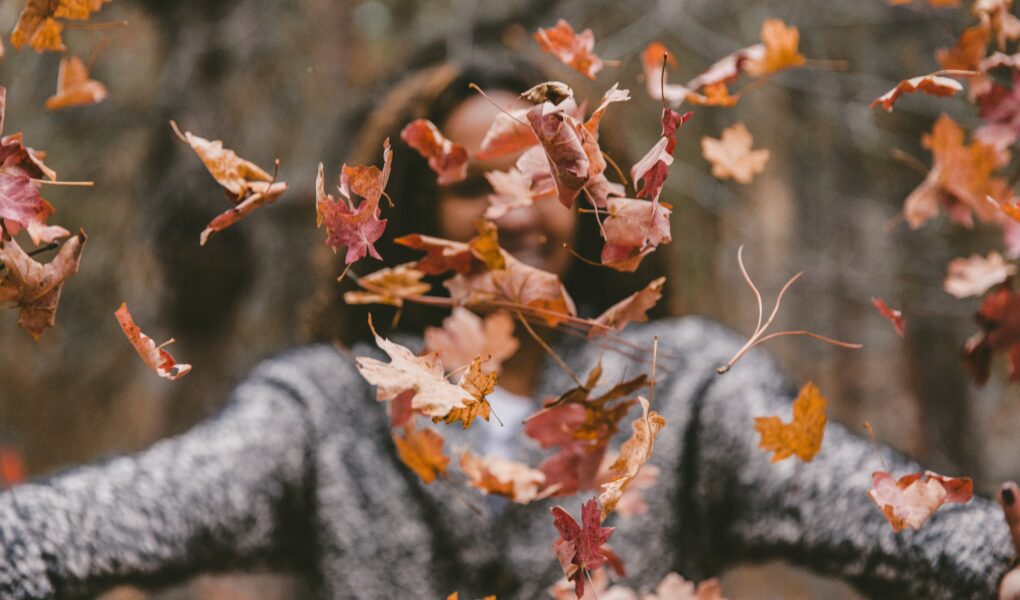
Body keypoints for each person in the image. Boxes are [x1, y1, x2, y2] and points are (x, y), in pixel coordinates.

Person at [0, 53, 1015, 600]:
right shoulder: (326, 410)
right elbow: (130, 510)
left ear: (586, 198)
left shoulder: (685, 387)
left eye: (539, 175)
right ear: (411, 215)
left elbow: (859, 505)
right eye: (468, 185)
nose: (509, 209)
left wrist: (995, 557)